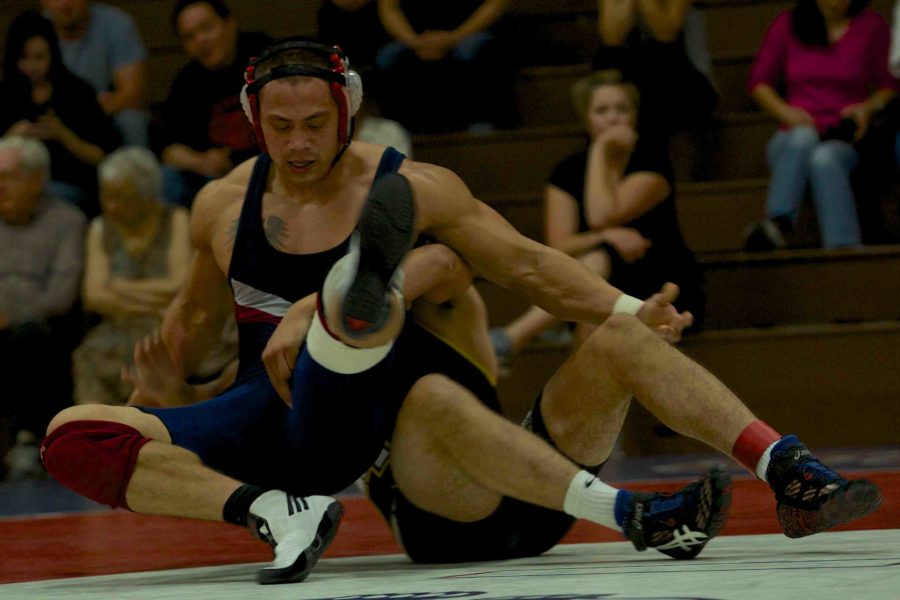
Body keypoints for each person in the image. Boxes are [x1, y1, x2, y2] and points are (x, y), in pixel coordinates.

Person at [40, 40, 881, 584]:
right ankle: (275, 509)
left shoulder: (425, 204)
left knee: (585, 341)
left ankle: (789, 473)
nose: (299, 144)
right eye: (282, 126)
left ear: (348, 114)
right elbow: (191, 324)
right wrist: (166, 380)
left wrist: (629, 303)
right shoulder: (222, 207)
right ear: (254, 122)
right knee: (77, 432)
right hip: (332, 437)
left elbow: (529, 264)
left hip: (465, 446)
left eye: (316, 125)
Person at [490, 69, 704, 367]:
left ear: (634, 116)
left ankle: (511, 339)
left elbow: (601, 215)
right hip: (596, 285)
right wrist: (605, 237)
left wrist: (601, 149)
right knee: (596, 291)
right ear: (587, 117)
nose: (613, 118)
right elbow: (561, 246)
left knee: (600, 267)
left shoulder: (652, 161)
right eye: (602, 110)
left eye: (621, 109)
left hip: (659, 279)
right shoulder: (567, 172)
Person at [742, 0, 897, 251]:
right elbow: (758, 82)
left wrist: (866, 108)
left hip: (843, 137)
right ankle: (778, 222)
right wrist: (786, 112)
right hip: (793, 138)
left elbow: (889, 85)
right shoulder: (787, 24)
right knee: (804, 137)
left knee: (824, 159)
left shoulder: (871, 26)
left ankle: (843, 247)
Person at [72, 148, 191, 407]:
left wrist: (117, 287)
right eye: (105, 194)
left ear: (146, 196)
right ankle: (94, 436)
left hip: (166, 324)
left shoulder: (176, 219)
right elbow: (94, 297)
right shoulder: (100, 227)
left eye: (119, 196)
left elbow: (180, 285)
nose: (108, 204)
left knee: (162, 352)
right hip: (119, 326)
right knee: (90, 354)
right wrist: (157, 302)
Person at [0, 135, 86, 480]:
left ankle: (26, 439)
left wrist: (9, 315)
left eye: (8, 176)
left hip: (44, 330)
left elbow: (60, 297)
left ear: (37, 179)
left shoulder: (67, 221)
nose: (0, 186)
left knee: (26, 336)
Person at [0, 10, 120, 217]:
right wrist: (10, 139)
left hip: (68, 186)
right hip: (11, 189)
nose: (32, 66)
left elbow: (103, 157)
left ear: (53, 54)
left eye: (39, 57)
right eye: (24, 58)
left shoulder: (77, 92)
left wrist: (63, 135)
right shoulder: (4, 96)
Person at [157, 0, 272, 207]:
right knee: (168, 179)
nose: (200, 40)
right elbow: (169, 150)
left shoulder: (263, 54)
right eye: (189, 37)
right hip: (215, 178)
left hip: (271, 165)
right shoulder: (187, 81)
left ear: (230, 24)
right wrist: (201, 162)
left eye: (206, 28)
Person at [373, 0, 515, 133]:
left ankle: (481, 123)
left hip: (472, 31)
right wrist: (415, 42)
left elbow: (496, 4)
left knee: (471, 51)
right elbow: (389, 8)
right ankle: (402, 131)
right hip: (417, 36)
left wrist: (454, 38)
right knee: (388, 57)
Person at [593, 0, 718, 148]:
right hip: (636, 75)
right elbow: (612, 36)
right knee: (610, 59)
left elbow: (665, 33)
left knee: (661, 62)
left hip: (684, 75)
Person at [40, 0, 149, 148]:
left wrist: (89, 111)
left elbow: (133, 94)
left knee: (131, 120)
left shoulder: (116, 23)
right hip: (53, 118)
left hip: (103, 116)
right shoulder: (36, 29)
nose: (63, 4)